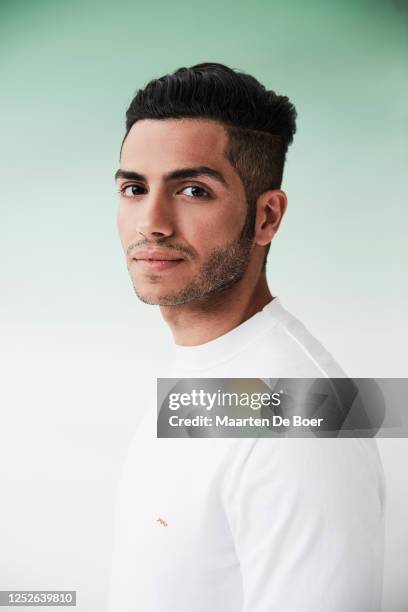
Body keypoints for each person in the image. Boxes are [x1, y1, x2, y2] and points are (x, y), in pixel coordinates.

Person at [108, 63, 385, 611]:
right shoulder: (210, 373)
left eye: (193, 190)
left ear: (266, 217)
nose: (152, 221)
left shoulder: (303, 421)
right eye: (134, 188)